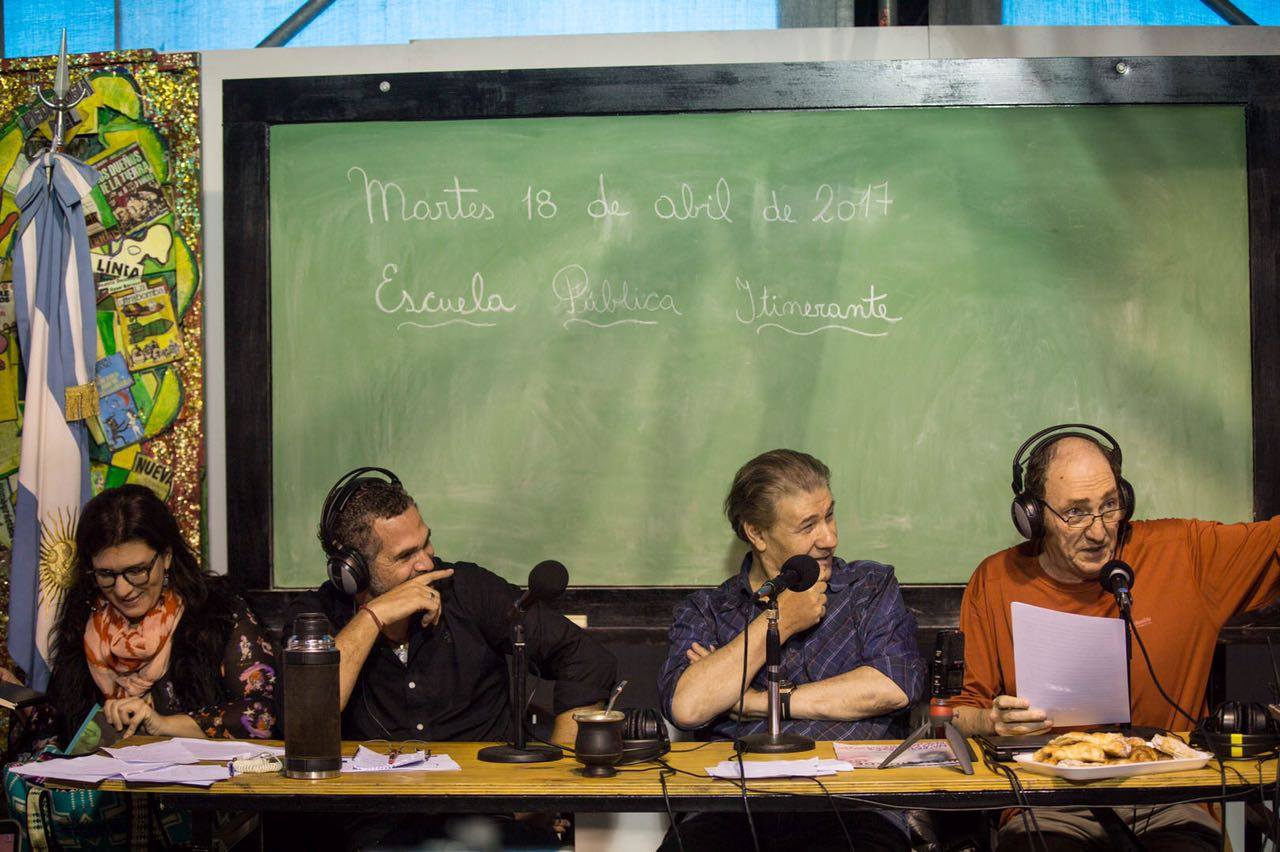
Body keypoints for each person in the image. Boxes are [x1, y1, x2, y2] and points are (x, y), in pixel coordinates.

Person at [951, 424, 1280, 851]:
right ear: (1032, 515)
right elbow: (956, 714)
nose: (1098, 531)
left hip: (1171, 799)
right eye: (1075, 512)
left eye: (1109, 506)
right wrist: (992, 721)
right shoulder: (995, 580)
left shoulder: (1186, 552)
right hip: (1048, 804)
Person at [284, 467, 616, 848]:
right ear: (352, 572)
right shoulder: (315, 619)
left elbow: (586, 660)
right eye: (405, 556)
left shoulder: (467, 590)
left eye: (425, 543)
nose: (426, 563)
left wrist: (548, 787)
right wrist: (373, 616)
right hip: (380, 833)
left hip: (491, 824)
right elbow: (306, 718)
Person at [657, 449, 926, 851]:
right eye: (808, 526)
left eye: (830, 516)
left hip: (852, 801)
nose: (829, 538)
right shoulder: (708, 611)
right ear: (757, 533)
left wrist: (755, 702)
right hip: (732, 804)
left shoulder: (868, 588)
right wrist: (778, 622)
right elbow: (687, 707)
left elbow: (894, 686)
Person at [7, 483, 277, 745]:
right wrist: (19, 697)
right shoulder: (83, 618)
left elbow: (263, 716)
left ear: (166, 556)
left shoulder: (219, 613)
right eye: (106, 574)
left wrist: (162, 724)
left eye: (137, 570)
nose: (122, 590)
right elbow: (61, 731)